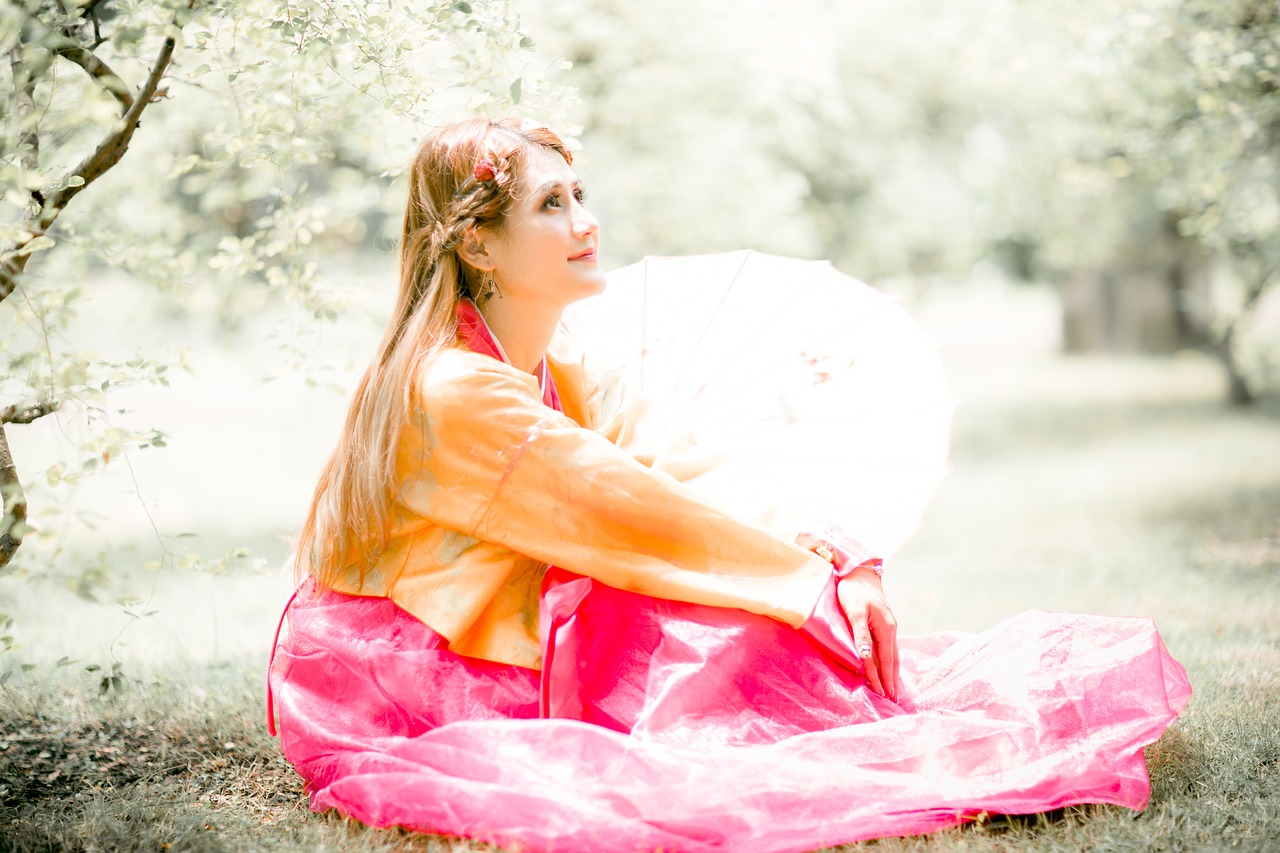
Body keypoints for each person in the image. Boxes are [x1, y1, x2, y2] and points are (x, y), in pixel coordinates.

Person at [268, 117, 1190, 853]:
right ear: (476, 242)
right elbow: (638, 513)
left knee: (734, 619)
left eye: (580, 192)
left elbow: (689, 462)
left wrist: (839, 553)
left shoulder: (558, 362)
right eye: (552, 203)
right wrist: (801, 588)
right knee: (727, 623)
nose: (587, 222)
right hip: (415, 665)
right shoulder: (454, 387)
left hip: (511, 614)